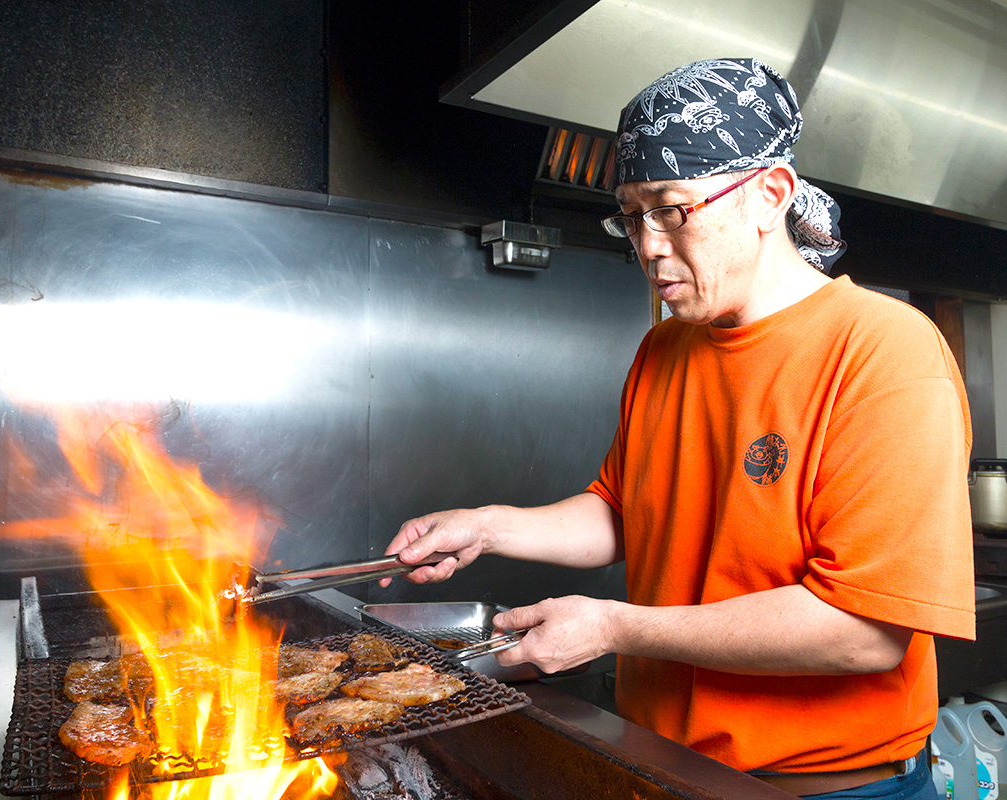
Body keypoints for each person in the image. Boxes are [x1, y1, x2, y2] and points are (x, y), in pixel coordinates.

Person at [383, 58, 974, 800]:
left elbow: (863, 630)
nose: (649, 245)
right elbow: (626, 512)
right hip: (667, 771)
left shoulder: (883, 349)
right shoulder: (665, 347)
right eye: (631, 216)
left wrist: (614, 628)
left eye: (672, 208)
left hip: (833, 789)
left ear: (770, 195)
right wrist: (488, 526)